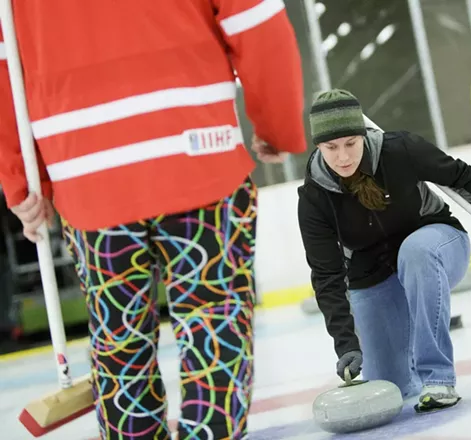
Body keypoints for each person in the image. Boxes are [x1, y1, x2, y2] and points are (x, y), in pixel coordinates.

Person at [0, 2, 306, 439]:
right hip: (200, 153)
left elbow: (6, 67)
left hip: (87, 174)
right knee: (212, 318)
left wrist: (24, 182)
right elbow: (257, 24)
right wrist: (277, 125)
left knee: (118, 338)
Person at [297, 89, 471, 412]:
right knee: (390, 385)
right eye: (331, 148)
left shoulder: (399, 150)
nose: (343, 157)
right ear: (319, 146)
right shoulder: (315, 196)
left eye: (350, 143)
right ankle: (404, 366)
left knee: (416, 251)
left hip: (436, 245)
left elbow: (463, 178)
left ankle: (438, 377)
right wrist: (346, 344)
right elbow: (327, 275)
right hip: (374, 274)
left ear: (363, 135)